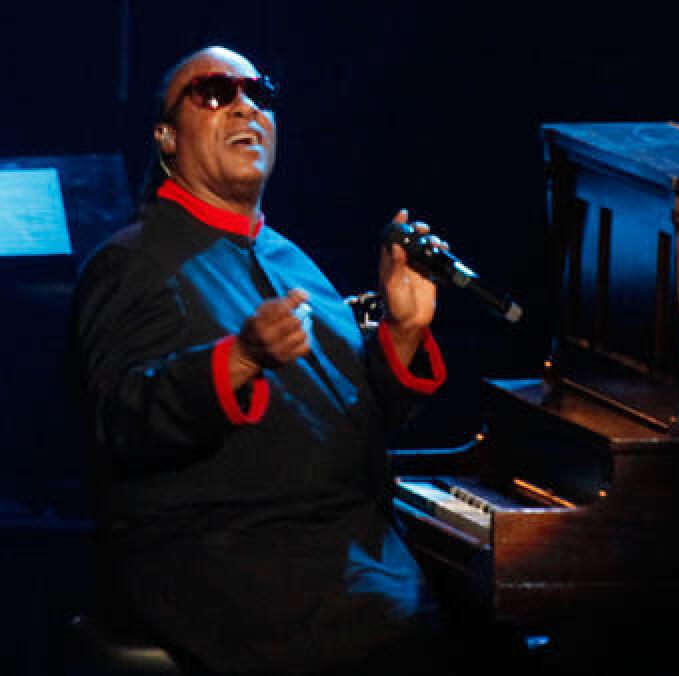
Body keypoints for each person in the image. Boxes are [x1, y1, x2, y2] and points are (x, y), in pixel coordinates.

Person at [69, 45, 464, 675]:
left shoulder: (288, 260)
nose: (246, 107)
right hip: (232, 563)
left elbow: (353, 421)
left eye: (260, 94)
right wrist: (241, 358)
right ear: (166, 136)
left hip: (345, 555)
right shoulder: (132, 261)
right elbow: (121, 419)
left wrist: (405, 331)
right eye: (216, 94)